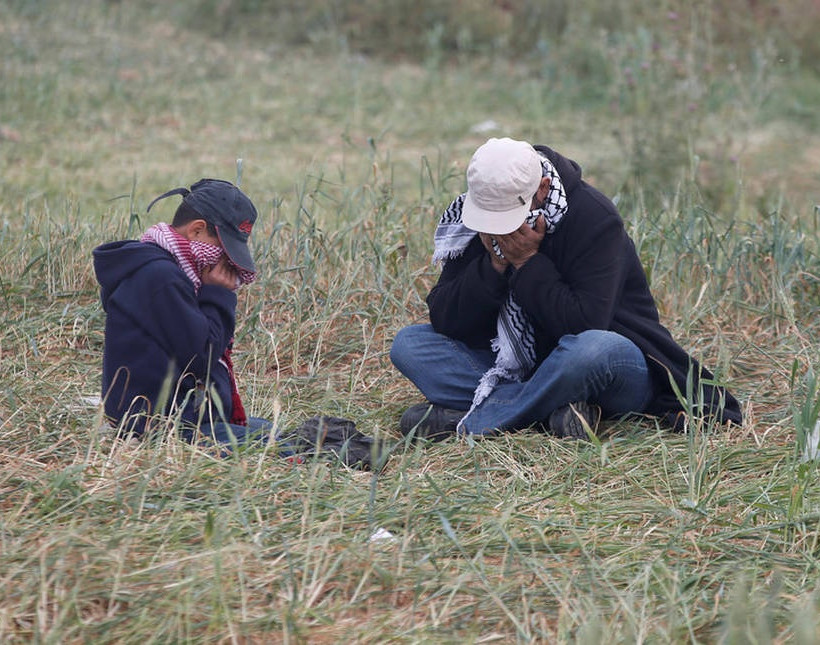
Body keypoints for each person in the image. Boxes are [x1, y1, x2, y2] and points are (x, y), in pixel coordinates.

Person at [390, 137, 742, 440]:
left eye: (506, 220)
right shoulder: (477, 218)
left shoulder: (594, 218)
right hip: (520, 368)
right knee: (409, 345)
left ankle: (473, 420)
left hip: (609, 367)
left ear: (542, 189)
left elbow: (586, 323)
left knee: (592, 350)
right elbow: (445, 320)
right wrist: (494, 266)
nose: (498, 230)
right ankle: (554, 412)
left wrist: (527, 263)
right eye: (490, 220)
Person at [93, 178, 271, 444]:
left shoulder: (169, 270)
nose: (225, 261)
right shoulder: (160, 277)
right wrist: (218, 294)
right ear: (197, 230)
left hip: (180, 416)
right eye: (223, 249)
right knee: (281, 447)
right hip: (158, 426)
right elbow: (200, 358)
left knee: (271, 430)